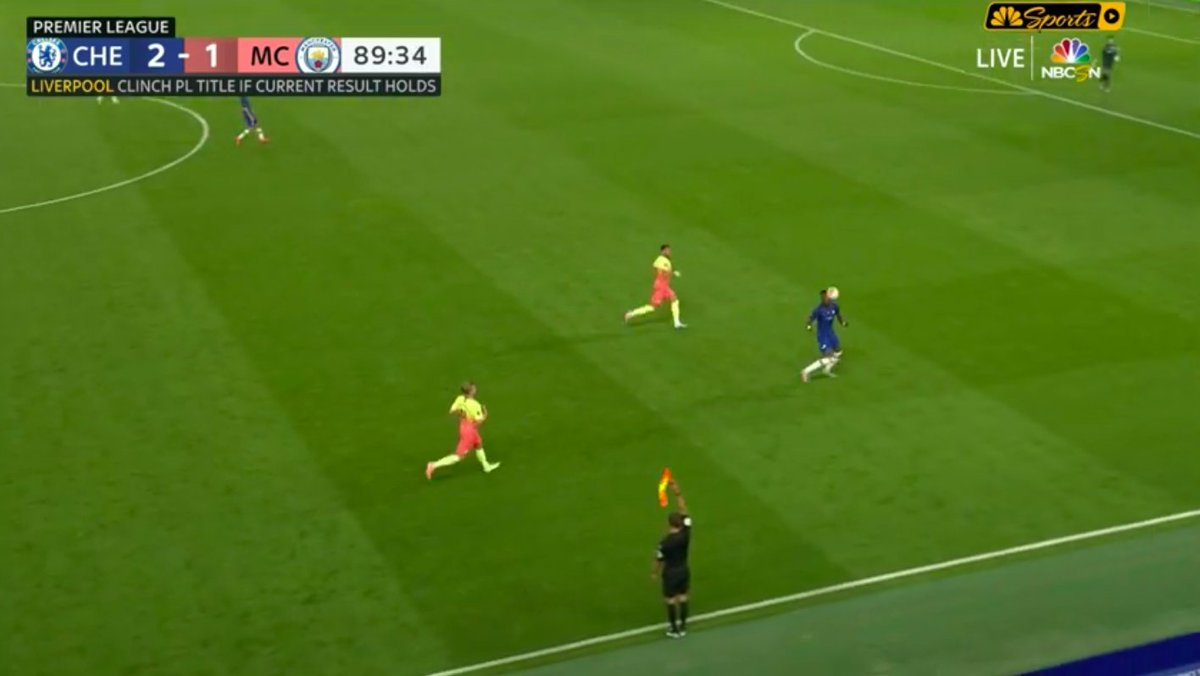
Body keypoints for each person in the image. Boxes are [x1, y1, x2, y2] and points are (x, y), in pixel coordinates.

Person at [426, 383, 500, 479]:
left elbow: (452, 411)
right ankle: (433, 465)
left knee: (478, 444)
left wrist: (462, 414)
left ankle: (486, 466)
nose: (475, 389)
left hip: (463, 425)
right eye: (474, 388)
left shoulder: (460, 398)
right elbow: (479, 421)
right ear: (471, 391)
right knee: (458, 456)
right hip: (469, 431)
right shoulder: (475, 405)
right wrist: (485, 414)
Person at [652, 478, 693, 638]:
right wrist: (677, 493)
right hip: (683, 570)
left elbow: (658, 559)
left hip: (670, 573)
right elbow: (684, 511)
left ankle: (674, 629)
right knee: (683, 597)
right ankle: (683, 627)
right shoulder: (686, 534)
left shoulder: (664, 543)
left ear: (669, 524)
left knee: (670, 600)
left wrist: (654, 573)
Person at [625, 244, 686, 329]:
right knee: (653, 307)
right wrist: (673, 273)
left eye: (669, 250)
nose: (669, 252)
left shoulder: (666, 260)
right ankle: (631, 314)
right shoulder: (660, 260)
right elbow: (661, 273)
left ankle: (677, 323)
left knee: (674, 299)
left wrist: (672, 272)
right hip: (660, 286)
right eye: (667, 250)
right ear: (662, 251)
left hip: (664, 286)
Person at [801, 289, 848, 382]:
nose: (825, 299)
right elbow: (810, 319)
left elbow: (838, 315)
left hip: (831, 334)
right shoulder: (819, 310)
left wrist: (842, 322)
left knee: (838, 353)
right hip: (823, 336)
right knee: (829, 357)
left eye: (826, 297)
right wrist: (809, 326)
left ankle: (826, 370)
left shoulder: (834, 306)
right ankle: (805, 371)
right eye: (823, 298)